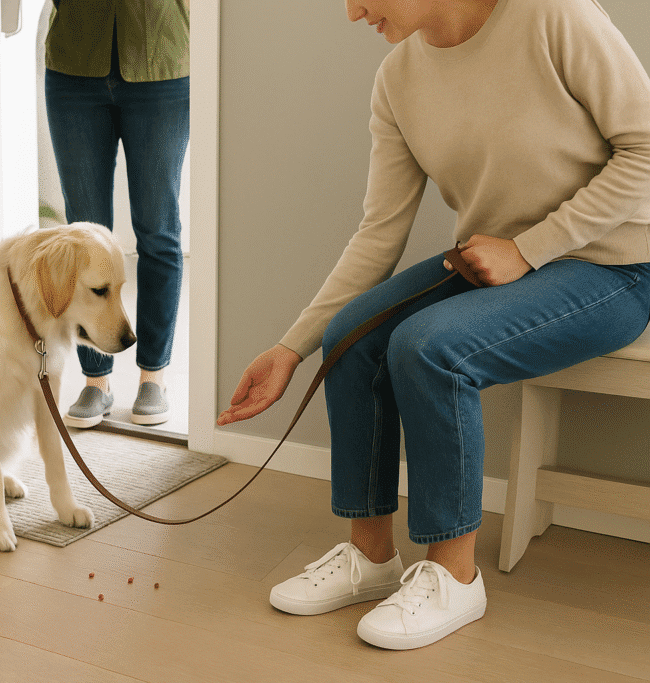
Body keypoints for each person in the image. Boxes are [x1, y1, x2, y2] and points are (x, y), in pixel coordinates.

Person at [218, 0, 650, 650]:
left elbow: (645, 150)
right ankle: (371, 558)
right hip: (499, 260)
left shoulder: (553, 14)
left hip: (614, 266)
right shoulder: (398, 81)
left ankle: (455, 575)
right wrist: (291, 346)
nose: (351, 11)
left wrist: (530, 247)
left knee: (429, 347)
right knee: (353, 335)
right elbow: (378, 232)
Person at [44, 1, 190, 428]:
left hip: (161, 62)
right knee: (83, 238)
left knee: (158, 229)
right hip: (74, 67)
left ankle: (154, 377)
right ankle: (96, 380)